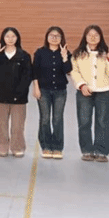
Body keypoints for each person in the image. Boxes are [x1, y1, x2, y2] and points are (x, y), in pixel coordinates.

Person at [70, 25, 109, 162]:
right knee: (84, 122)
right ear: (85, 37)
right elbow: (74, 71)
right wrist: (82, 85)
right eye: (90, 35)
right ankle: (87, 150)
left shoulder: (107, 52)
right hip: (84, 92)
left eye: (96, 35)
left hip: (104, 92)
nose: (93, 37)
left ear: (100, 37)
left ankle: (101, 151)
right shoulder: (78, 53)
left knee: (103, 122)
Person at [0, 27, 33, 158]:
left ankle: (17, 147)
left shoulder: (24, 56)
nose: (10, 39)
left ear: (17, 38)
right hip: (0, 96)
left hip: (19, 98)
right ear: (3, 38)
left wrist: (20, 92)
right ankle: (2, 147)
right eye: (7, 36)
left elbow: (27, 76)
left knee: (18, 125)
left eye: (13, 36)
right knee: (2, 124)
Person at [32, 26, 71, 159]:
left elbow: (68, 70)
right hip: (44, 90)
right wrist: (36, 87)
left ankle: (58, 147)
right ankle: (46, 146)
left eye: (57, 36)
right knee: (45, 118)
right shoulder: (40, 52)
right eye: (51, 35)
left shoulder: (66, 52)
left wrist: (65, 57)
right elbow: (35, 71)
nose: (54, 38)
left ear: (61, 38)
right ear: (47, 37)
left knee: (58, 119)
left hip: (60, 91)